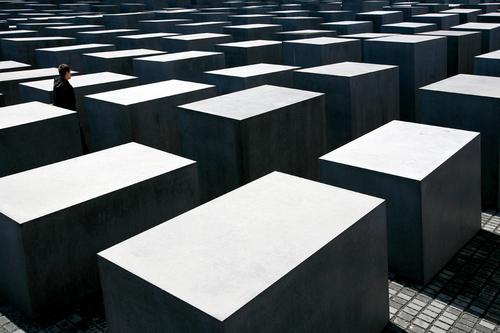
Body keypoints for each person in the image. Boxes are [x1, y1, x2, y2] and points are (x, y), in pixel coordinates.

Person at [53, 64, 89, 154]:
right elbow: (72, 104)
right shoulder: (68, 88)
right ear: (66, 73)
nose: (71, 73)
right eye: (70, 71)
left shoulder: (56, 81)